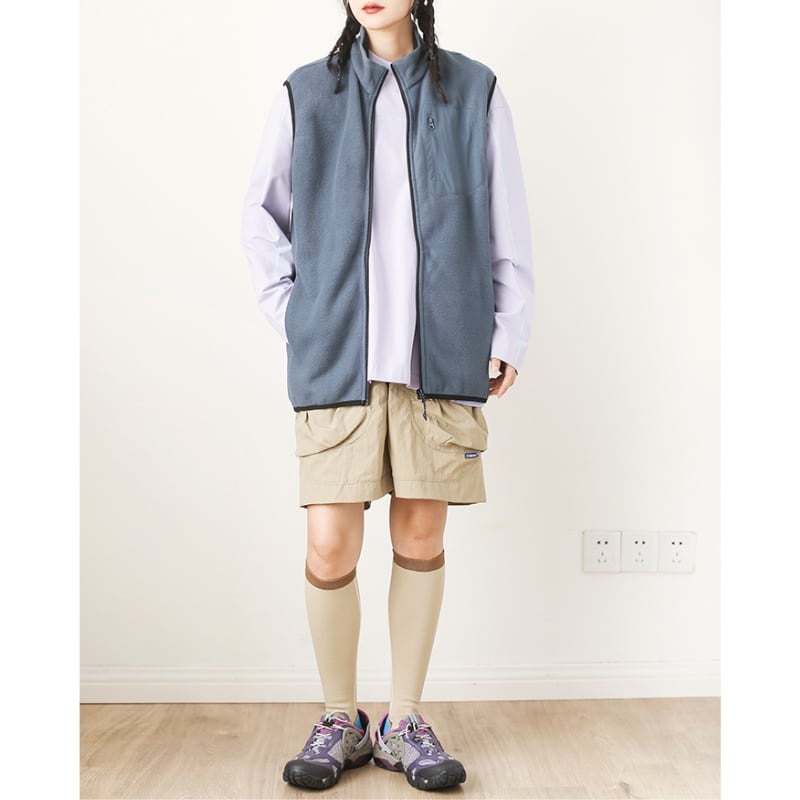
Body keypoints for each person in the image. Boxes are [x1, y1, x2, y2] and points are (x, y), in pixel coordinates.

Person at [240, 0, 534, 791]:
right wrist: (295, 315)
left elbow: (507, 223)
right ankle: (342, 718)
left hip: (439, 355)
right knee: (329, 543)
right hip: (338, 359)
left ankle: (404, 720)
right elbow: (261, 218)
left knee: (421, 535)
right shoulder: (305, 94)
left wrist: (508, 331)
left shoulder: (475, 92)